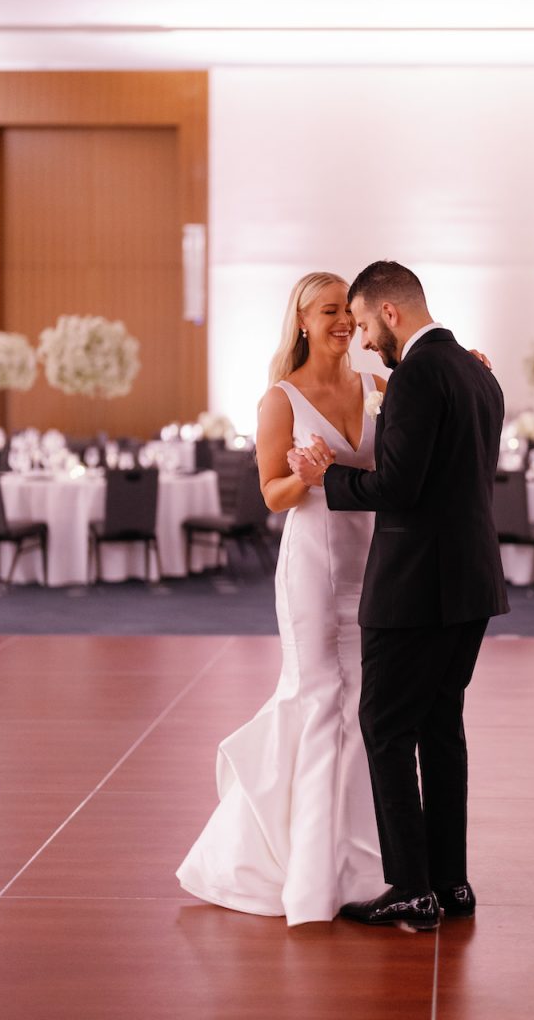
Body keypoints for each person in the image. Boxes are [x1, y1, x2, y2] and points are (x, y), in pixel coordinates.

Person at [288, 261, 509, 931]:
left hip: (414, 585)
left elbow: (398, 488)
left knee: (385, 729)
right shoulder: (478, 371)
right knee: (441, 729)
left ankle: (411, 890)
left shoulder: (416, 374)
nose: (360, 342)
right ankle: (451, 882)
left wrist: (328, 478)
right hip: (472, 579)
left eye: (363, 325)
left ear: (389, 314)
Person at [176, 271, 388, 926]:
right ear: (301, 320)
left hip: (374, 562)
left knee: (364, 707)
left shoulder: (377, 386)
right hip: (314, 566)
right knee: (321, 697)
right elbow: (270, 496)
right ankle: (310, 881)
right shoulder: (281, 400)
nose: (343, 324)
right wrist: (302, 476)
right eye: (329, 312)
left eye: (347, 312)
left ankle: (363, 867)